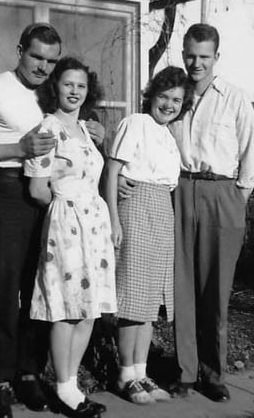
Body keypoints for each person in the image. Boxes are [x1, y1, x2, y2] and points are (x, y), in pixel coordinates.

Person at [0, 23, 104, 418]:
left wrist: (94, 131)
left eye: (51, 61)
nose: (43, 66)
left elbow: (72, 131)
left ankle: (28, 372)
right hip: (9, 193)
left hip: (52, 199)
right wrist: (18, 147)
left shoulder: (50, 93)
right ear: (20, 50)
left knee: (43, 290)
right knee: (4, 290)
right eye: (36, 56)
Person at [119, 23, 254, 402]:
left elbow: (250, 160)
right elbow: (142, 139)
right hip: (180, 191)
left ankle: (212, 375)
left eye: (204, 57)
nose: (197, 63)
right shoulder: (175, 98)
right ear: (183, 54)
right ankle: (185, 371)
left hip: (222, 193)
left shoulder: (234, 99)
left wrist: (235, 201)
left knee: (215, 290)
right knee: (181, 286)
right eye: (191, 56)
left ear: (216, 57)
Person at [25, 57, 117, 418]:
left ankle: (72, 385)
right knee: (66, 308)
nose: (75, 91)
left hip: (95, 224)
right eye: (68, 84)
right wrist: (65, 206)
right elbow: (37, 189)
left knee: (88, 308)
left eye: (81, 85)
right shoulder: (48, 128)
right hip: (67, 224)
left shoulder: (86, 129)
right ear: (55, 88)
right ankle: (64, 387)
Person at [105, 66, 193, 404]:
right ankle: (125, 374)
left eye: (176, 100)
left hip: (162, 212)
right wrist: (114, 219)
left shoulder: (169, 134)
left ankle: (141, 373)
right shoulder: (136, 122)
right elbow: (112, 171)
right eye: (164, 97)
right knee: (133, 299)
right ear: (151, 95)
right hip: (136, 208)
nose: (169, 105)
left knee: (150, 300)